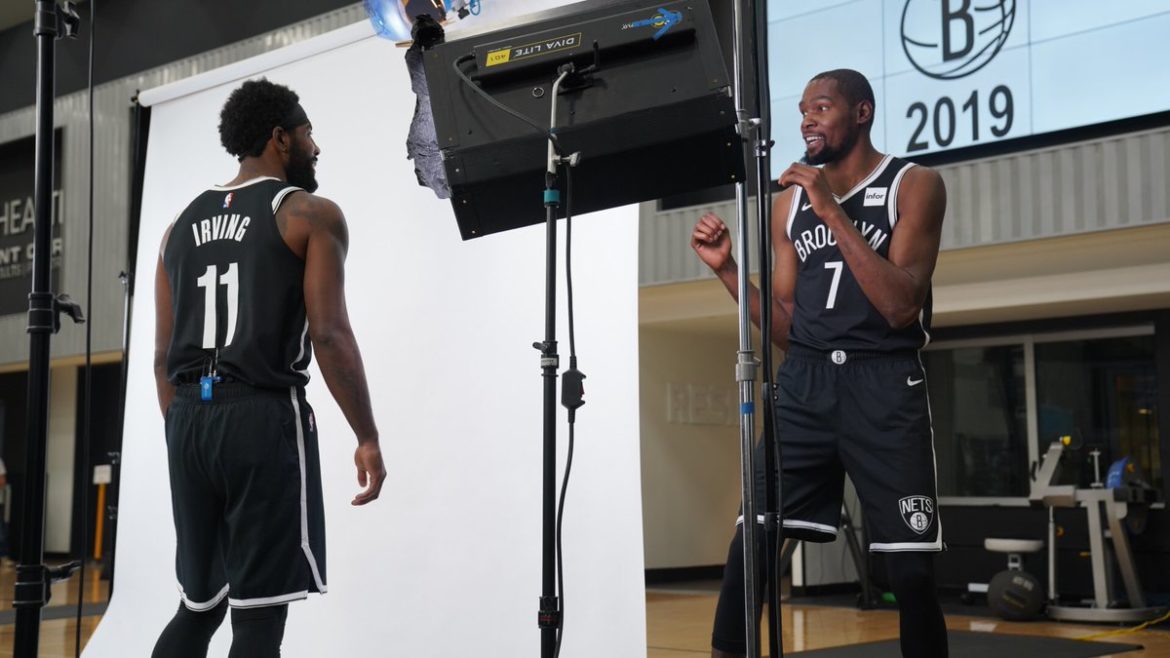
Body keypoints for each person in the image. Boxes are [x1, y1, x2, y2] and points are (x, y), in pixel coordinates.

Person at [691, 68, 948, 658]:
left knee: (910, 574)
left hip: (882, 381)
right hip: (805, 383)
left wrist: (832, 210)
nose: (806, 119)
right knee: (747, 553)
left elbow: (901, 306)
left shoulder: (915, 184)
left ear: (861, 112)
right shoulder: (787, 206)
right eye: (803, 109)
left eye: (822, 107)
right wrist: (729, 271)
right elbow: (788, 328)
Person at [152, 79, 386, 658]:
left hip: (186, 418)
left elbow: (161, 357)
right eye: (308, 133)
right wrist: (367, 436)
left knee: (198, 607)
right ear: (280, 138)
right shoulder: (308, 214)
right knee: (257, 619)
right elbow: (329, 335)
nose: (316, 146)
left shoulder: (176, 227)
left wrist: (188, 426)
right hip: (259, 418)